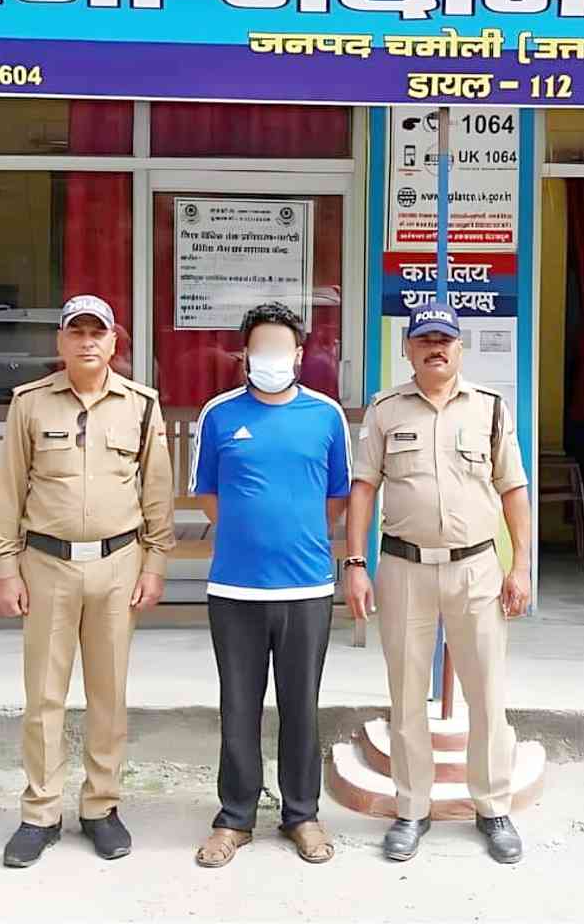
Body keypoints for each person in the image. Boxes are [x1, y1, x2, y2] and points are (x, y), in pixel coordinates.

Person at [0, 294, 175, 867]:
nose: (88, 341)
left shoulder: (140, 405)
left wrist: (155, 564)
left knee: (108, 694)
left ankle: (101, 806)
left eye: (98, 332)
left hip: (119, 565)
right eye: (77, 332)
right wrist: (5, 567)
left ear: (114, 342)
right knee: (44, 695)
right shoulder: (30, 404)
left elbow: (157, 491)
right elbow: (9, 490)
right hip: (47, 564)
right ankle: (40, 812)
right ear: (61, 342)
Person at [345, 299, 532, 864]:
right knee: (406, 695)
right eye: (424, 339)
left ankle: (492, 807)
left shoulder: (490, 409)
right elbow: (363, 488)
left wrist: (521, 565)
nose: (435, 348)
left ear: (459, 348)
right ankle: (411, 808)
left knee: (487, 693)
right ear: (407, 349)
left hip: (476, 569)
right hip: (403, 569)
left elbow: (513, 490)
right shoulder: (385, 411)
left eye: (444, 340)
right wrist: (355, 564)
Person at [190, 302, 352, 869]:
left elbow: (336, 498)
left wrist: (294, 537)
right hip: (236, 588)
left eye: (282, 349)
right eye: (262, 348)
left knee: (301, 706)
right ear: (244, 355)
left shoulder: (326, 416)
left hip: (305, 587)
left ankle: (302, 813)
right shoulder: (219, 415)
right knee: (238, 706)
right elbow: (209, 495)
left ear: (300, 355)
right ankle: (235, 817)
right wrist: (249, 534)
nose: (272, 359)